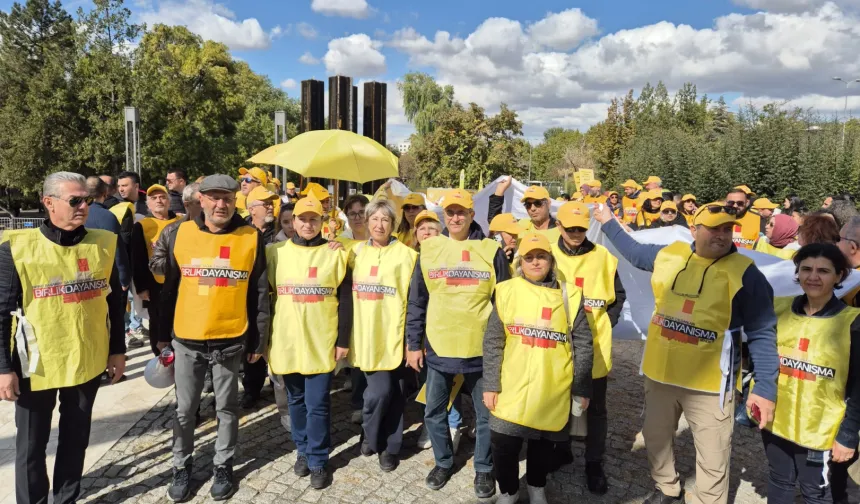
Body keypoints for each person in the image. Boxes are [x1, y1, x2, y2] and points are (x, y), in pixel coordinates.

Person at [594, 202, 779, 504]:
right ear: (694, 229)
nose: (722, 235)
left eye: (727, 229)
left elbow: (762, 332)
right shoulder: (671, 255)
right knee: (655, 438)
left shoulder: (747, 274)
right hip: (661, 373)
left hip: (711, 384)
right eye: (713, 228)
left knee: (713, 451)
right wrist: (607, 221)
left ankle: (708, 499)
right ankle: (666, 487)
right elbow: (633, 251)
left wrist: (766, 388)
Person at [0, 172, 126, 504]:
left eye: (86, 199)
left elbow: (114, 300)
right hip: (35, 365)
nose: (83, 206)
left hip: (86, 358)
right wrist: (3, 368)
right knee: (31, 445)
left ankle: (67, 499)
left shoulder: (102, 242)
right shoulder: (17, 248)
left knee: (75, 439)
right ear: (49, 203)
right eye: (74, 201)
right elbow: (0, 312)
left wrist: (118, 351)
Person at [160, 174, 269, 502]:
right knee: (184, 409)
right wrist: (160, 338)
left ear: (235, 200)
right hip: (187, 337)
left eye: (227, 197)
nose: (221, 204)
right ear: (201, 200)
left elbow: (259, 292)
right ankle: (182, 465)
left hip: (230, 336)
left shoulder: (251, 237)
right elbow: (169, 287)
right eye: (214, 197)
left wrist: (258, 339)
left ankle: (223, 464)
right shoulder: (180, 233)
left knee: (227, 407)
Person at [406, 188, 511, 498]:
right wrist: (414, 343)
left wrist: (504, 346)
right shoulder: (430, 249)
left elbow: (504, 300)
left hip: (481, 349)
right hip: (439, 345)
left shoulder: (490, 250)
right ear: (444, 216)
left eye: (461, 212)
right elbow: (417, 300)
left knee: (485, 414)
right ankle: (443, 462)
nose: (455, 217)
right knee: (433, 411)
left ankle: (484, 468)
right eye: (450, 212)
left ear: (471, 214)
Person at [484, 233, 594, 504]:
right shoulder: (507, 290)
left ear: (551, 260)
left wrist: (581, 388)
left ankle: (536, 486)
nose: (535, 262)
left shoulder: (570, 295)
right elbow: (493, 342)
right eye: (529, 257)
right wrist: (490, 384)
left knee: (543, 446)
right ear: (520, 261)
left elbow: (583, 344)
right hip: (512, 384)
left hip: (552, 386)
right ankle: (509, 491)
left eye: (541, 257)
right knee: (502, 443)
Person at [753, 243, 860, 504]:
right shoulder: (778, 309)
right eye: (806, 269)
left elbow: (858, 388)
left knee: (815, 493)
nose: (813, 276)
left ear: (839, 276)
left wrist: (847, 436)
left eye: (823, 270)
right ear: (797, 273)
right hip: (776, 419)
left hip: (820, 430)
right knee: (779, 480)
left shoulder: (853, 322)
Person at [266, 195, 351, 490]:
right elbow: (263, 300)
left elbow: (347, 301)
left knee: (317, 404)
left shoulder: (336, 254)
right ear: (292, 221)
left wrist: (343, 340)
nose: (307, 224)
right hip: (288, 340)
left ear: (322, 222)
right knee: (296, 401)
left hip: (321, 339)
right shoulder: (275, 253)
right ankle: (302, 449)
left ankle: (317, 459)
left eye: (314, 219)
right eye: (302, 219)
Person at [551, 202, 627, 494]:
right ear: (559, 226)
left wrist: (607, 321)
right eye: (569, 228)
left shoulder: (604, 257)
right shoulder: (548, 255)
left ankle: (594, 463)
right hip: (556, 345)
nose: (575, 233)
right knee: (558, 401)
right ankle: (561, 449)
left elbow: (618, 296)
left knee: (595, 409)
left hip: (595, 344)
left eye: (581, 228)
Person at [349, 200, 418, 472]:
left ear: (393, 224)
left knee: (395, 394)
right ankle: (371, 431)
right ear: (366, 222)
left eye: (385, 220)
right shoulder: (353, 254)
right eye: (374, 219)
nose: (379, 225)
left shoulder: (407, 256)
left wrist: (412, 340)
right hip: (365, 335)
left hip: (396, 336)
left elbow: (414, 302)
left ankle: (389, 447)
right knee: (378, 393)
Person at [409, 209, 467, 453]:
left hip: (447, 329)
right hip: (421, 328)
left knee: (450, 380)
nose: (426, 232)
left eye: (432, 228)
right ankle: (431, 423)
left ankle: (453, 424)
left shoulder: (448, 255)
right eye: (422, 228)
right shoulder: (412, 257)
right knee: (427, 382)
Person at [241, 186, 279, 408]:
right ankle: (251, 388)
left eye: (271, 203)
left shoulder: (279, 230)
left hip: (276, 296)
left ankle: (278, 383)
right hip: (251, 296)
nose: (270, 207)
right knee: (253, 340)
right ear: (251, 209)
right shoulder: (242, 232)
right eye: (265, 204)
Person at [131, 184, 179, 355]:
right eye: (154, 198)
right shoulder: (143, 225)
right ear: (148, 204)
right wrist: (142, 287)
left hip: (181, 281)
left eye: (162, 197)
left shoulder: (181, 222)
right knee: (158, 321)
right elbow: (138, 258)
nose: (159, 200)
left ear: (169, 201)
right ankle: (161, 356)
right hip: (155, 284)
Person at [85, 176, 131, 290]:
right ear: (105, 193)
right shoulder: (107, 216)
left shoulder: (74, 215)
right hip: (106, 276)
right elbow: (117, 248)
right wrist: (124, 278)